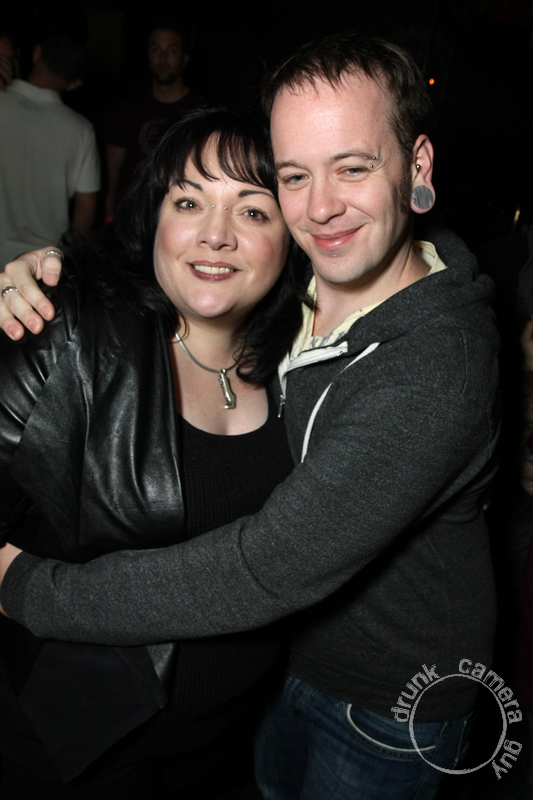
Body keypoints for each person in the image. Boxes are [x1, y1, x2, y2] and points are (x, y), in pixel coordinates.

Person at [0, 33, 500, 800]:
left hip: (382, 703)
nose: (321, 206)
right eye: (295, 176)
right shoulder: (300, 294)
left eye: (353, 167)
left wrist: (30, 590)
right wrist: (52, 270)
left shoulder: (435, 365)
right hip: (252, 690)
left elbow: (261, 570)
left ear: (417, 165)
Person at [0, 106, 301, 798]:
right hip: (74, 755)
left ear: (291, 238)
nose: (216, 235)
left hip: (227, 750)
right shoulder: (69, 338)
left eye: (253, 211)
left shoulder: (305, 365)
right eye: (189, 201)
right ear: (153, 216)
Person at [0, 33, 100, 268]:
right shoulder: (81, 129)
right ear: (74, 83)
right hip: (44, 262)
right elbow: (86, 207)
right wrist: (69, 253)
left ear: (36, 54)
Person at [104, 16, 203, 221]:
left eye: (171, 50)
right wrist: (109, 214)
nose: (163, 58)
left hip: (180, 217)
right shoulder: (128, 108)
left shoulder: (201, 112)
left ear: (184, 58)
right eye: (156, 49)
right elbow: (112, 169)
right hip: (130, 218)